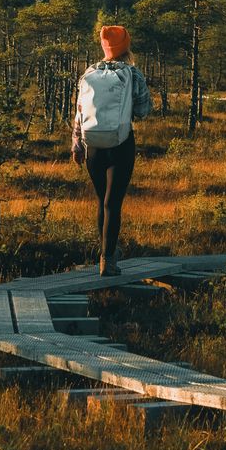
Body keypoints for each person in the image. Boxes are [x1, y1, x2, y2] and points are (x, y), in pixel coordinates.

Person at [71, 24, 153, 276]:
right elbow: (142, 110)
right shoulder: (133, 74)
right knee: (112, 203)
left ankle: (106, 255)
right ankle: (109, 260)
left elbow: (80, 111)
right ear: (126, 47)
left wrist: (76, 142)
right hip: (121, 143)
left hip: (92, 145)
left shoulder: (89, 73)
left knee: (102, 201)